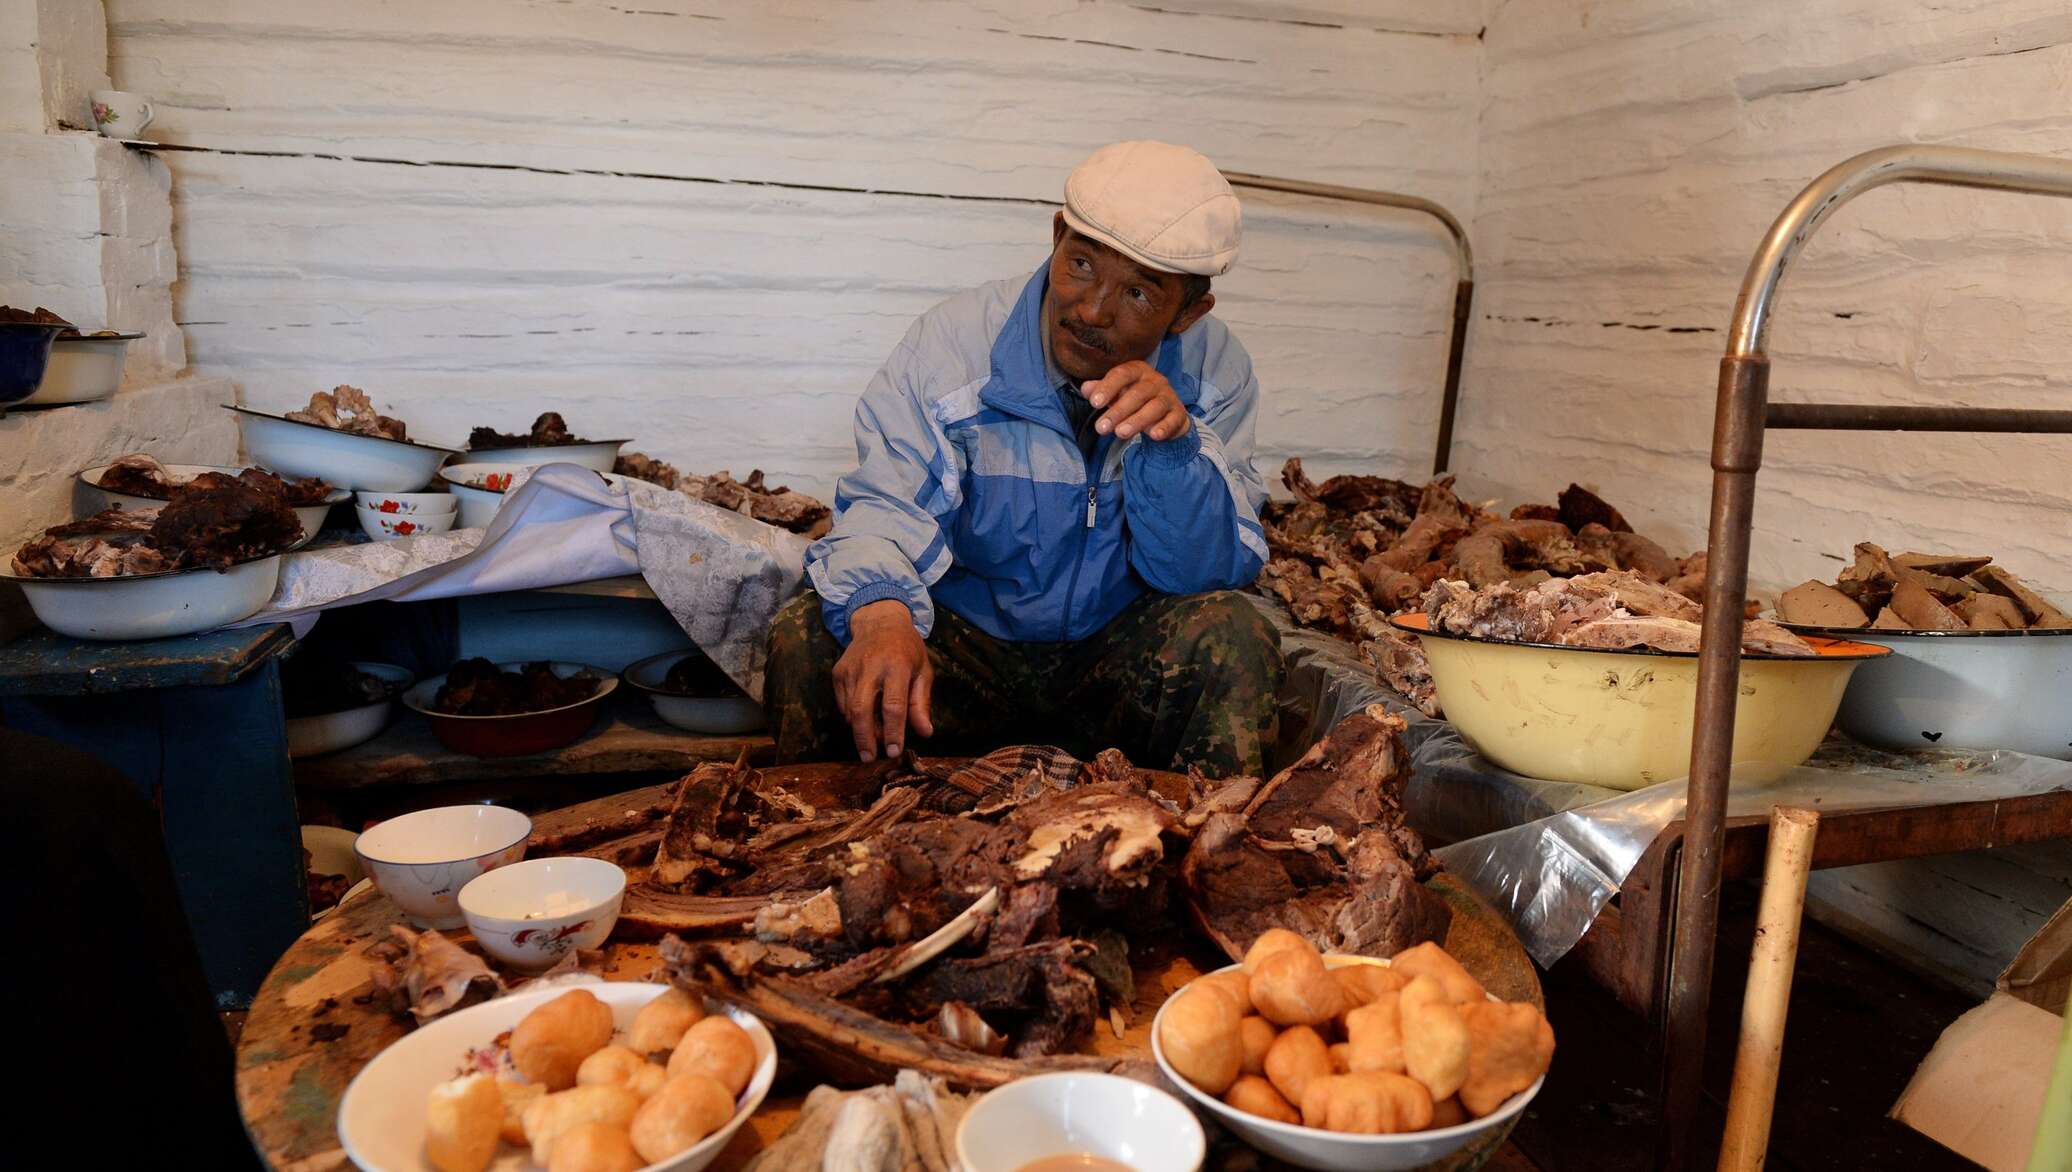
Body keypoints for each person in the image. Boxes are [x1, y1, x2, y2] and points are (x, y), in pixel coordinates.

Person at [767, 140, 1282, 778]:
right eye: (1082, 264)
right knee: (810, 637)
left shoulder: (1216, 373)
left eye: (1141, 295)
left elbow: (1203, 574)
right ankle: (829, 852)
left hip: (1112, 665)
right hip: (967, 657)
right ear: (1058, 234)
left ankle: (1207, 855)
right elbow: (884, 506)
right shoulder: (953, 347)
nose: (1092, 310)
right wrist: (881, 613)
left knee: (1234, 634)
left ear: (1188, 313)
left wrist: (1173, 449)